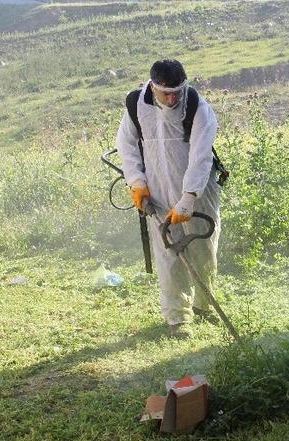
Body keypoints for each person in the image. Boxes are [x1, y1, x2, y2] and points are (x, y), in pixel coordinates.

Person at [115, 59, 221, 338]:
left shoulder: (197, 107)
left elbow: (201, 157)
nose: (173, 98)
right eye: (166, 93)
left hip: (199, 192)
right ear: (152, 86)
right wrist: (137, 184)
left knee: (203, 250)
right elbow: (126, 145)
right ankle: (178, 318)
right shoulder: (135, 105)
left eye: (178, 91)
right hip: (158, 192)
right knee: (168, 254)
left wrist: (187, 199)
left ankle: (204, 306)